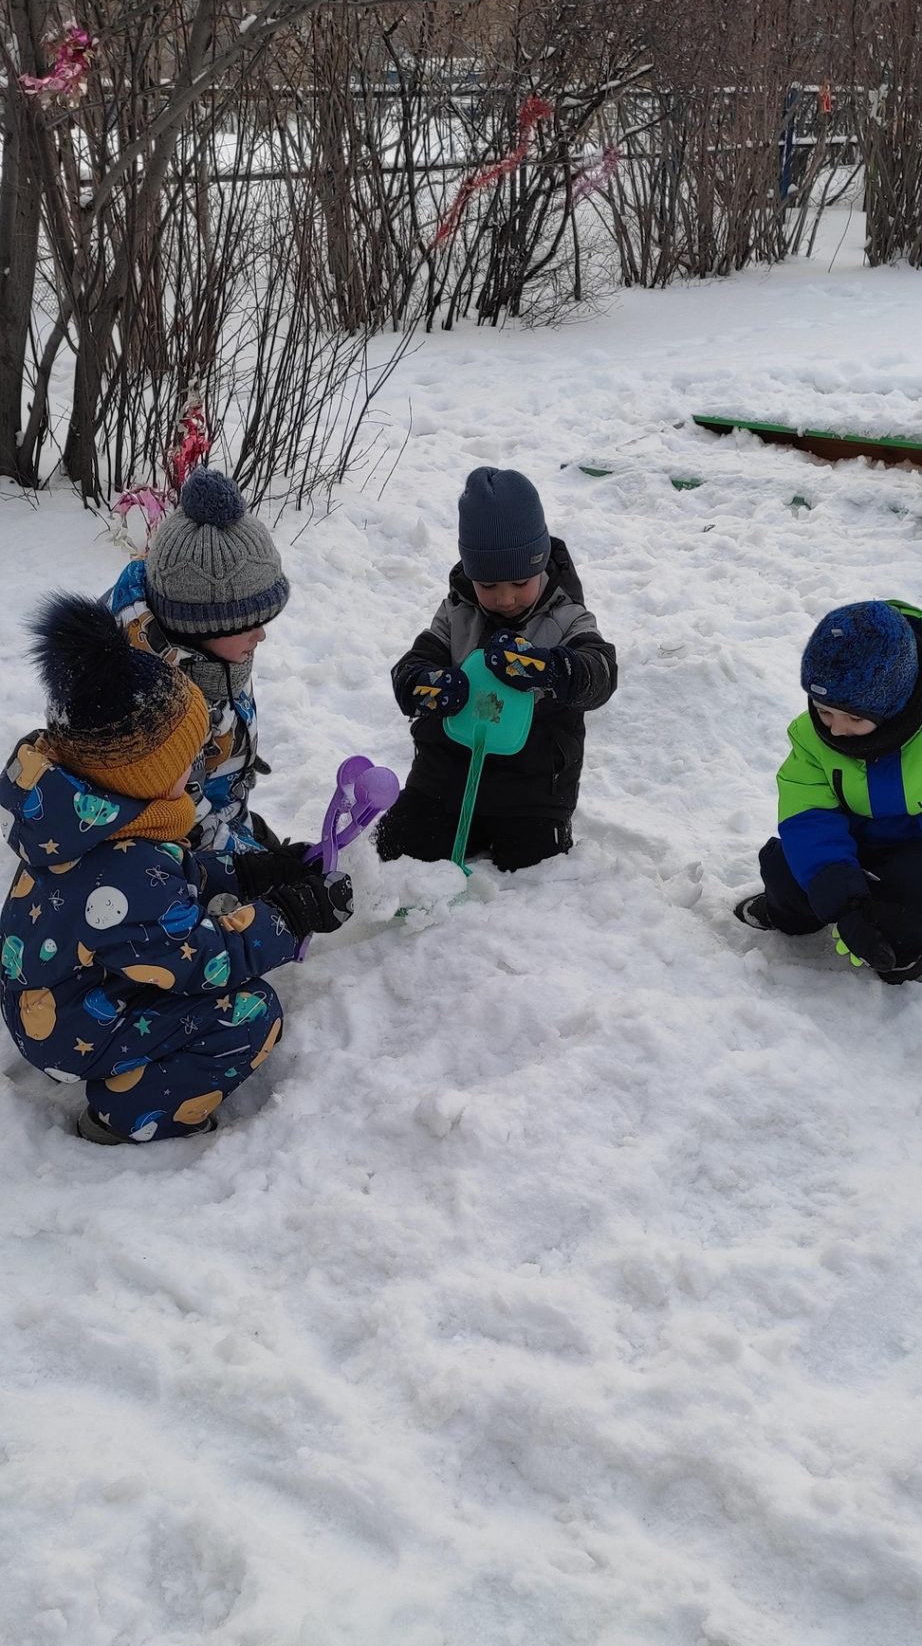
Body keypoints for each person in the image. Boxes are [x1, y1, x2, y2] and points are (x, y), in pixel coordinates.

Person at [0, 595, 352, 1144]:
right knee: (251, 1014)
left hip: (62, 989)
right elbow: (203, 962)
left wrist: (262, 871)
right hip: (73, 1031)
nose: (194, 769)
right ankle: (125, 1114)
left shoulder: (82, 822)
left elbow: (173, 877)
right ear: (144, 775)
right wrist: (289, 916)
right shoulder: (121, 871)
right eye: (185, 760)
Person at [377, 466, 617, 872]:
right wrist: (428, 685)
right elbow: (410, 671)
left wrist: (551, 670)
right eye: (488, 586)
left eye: (520, 582)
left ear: (541, 565)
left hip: (533, 786)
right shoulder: (457, 611)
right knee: (392, 850)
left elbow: (601, 674)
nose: (505, 598)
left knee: (536, 872)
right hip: (444, 780)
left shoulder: (567, 616)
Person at [735, 599, 922, 981]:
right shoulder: (811, 737)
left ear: (893, 706)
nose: (835, 729)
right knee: (787, 874)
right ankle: (787, 914)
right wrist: (842, 898)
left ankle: (907, 956)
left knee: (900, 927)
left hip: (913, 851)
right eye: (824, 711)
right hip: (847, 838)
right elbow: (808, 814)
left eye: (854, 717)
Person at [108, 467, 290, 854]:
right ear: (197, 624)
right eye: (249, 625)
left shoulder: (216, 653)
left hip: (225, 813)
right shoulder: (155, 712)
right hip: (180, 856)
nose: (262, 635)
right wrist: (258, 866)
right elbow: (183, 824)